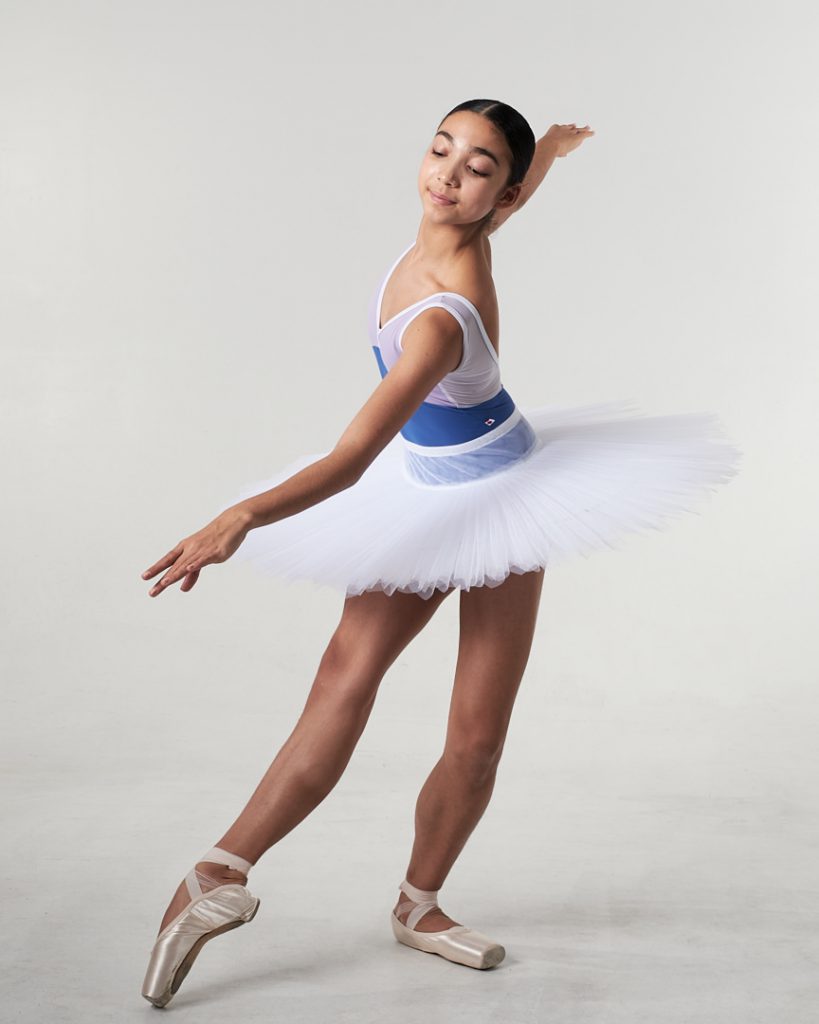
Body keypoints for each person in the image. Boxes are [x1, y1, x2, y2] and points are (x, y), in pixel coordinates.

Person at [139, 99, 742, 1007]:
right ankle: (216, 873)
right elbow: (510, 200)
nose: (449, 176)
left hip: (501, 497)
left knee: (476, 736)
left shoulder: (441, 313)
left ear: (494, 189)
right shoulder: (456, 234)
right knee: (343, 682)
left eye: (479, 167)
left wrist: (241, 515)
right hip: (423, 492)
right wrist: (551, 156)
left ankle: (417, 906)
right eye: (441, 150)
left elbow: (350, 461)